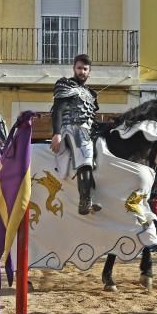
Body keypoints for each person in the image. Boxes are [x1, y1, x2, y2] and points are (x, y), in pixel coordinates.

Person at [50, 54, 101, 215]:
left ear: (89, 71)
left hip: (87, 129)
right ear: (74, 68)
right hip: (71, 128)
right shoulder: (66, 85)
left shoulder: (90, 93)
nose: (82, 71)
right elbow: (58, 110)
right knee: (85, 154)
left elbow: (91, 119)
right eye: (79, 68)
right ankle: (84, 202)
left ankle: (91, 194)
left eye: (85, 69)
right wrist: (57, 133)